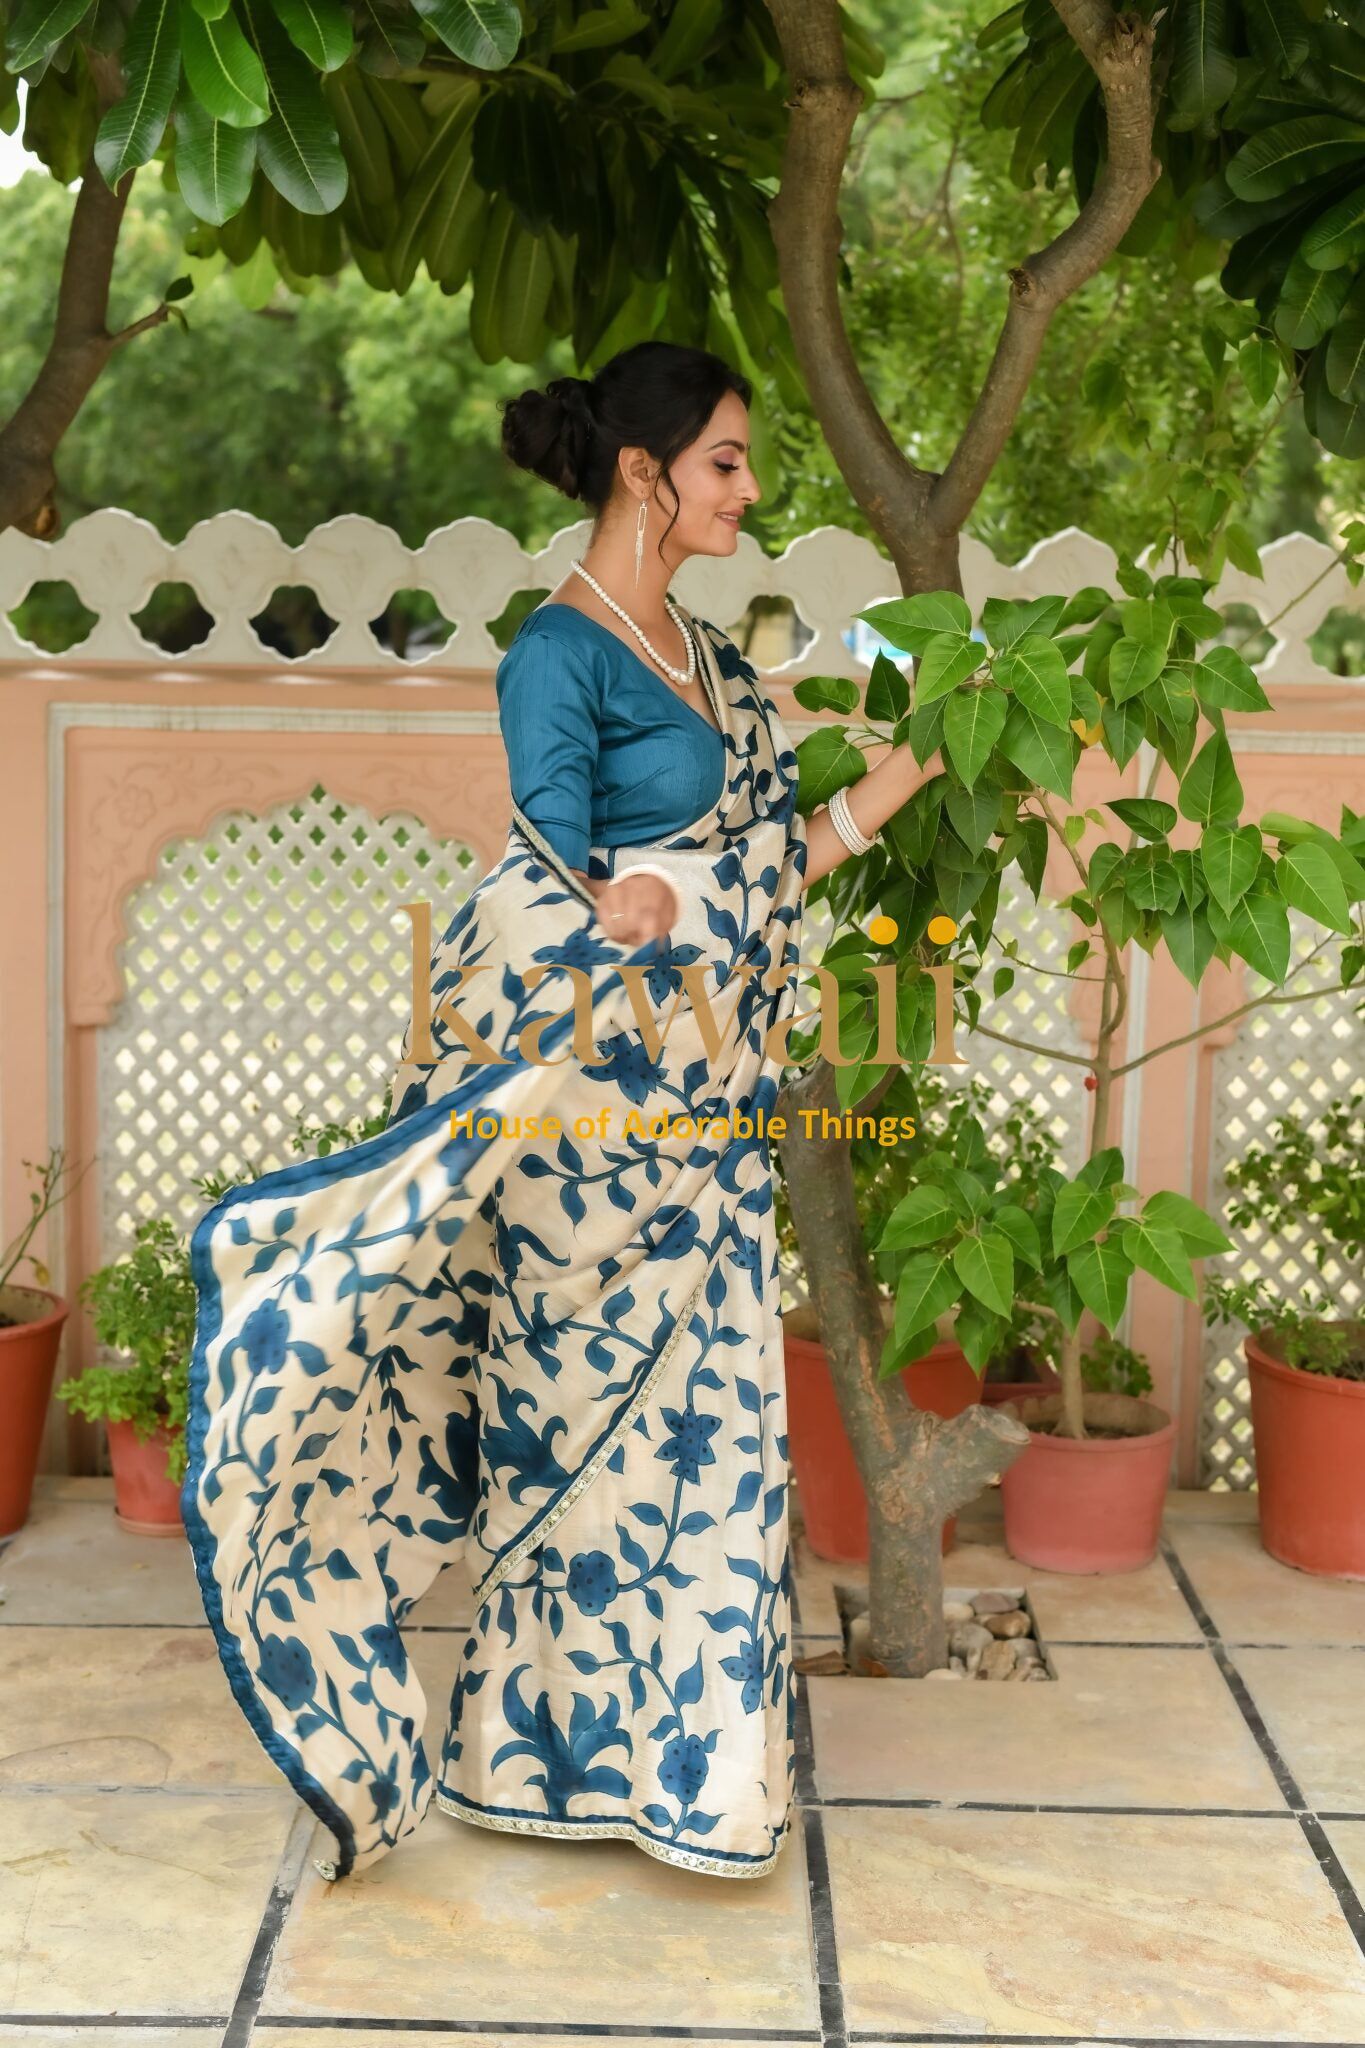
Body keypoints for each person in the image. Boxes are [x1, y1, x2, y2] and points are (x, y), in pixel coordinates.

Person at [182, 341, 943, 1887]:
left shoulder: (706, 658)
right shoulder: (562, 652)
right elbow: (549, 893)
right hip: (591, 1135)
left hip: (706, 1122)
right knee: (583, 1442)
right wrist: (634, 899)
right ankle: (531, 1760)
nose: (749, 487)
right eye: (726, 460)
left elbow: (764, 865)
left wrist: (900, 775)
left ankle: (702, 1784)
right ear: (643, 472)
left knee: (712, 1446)